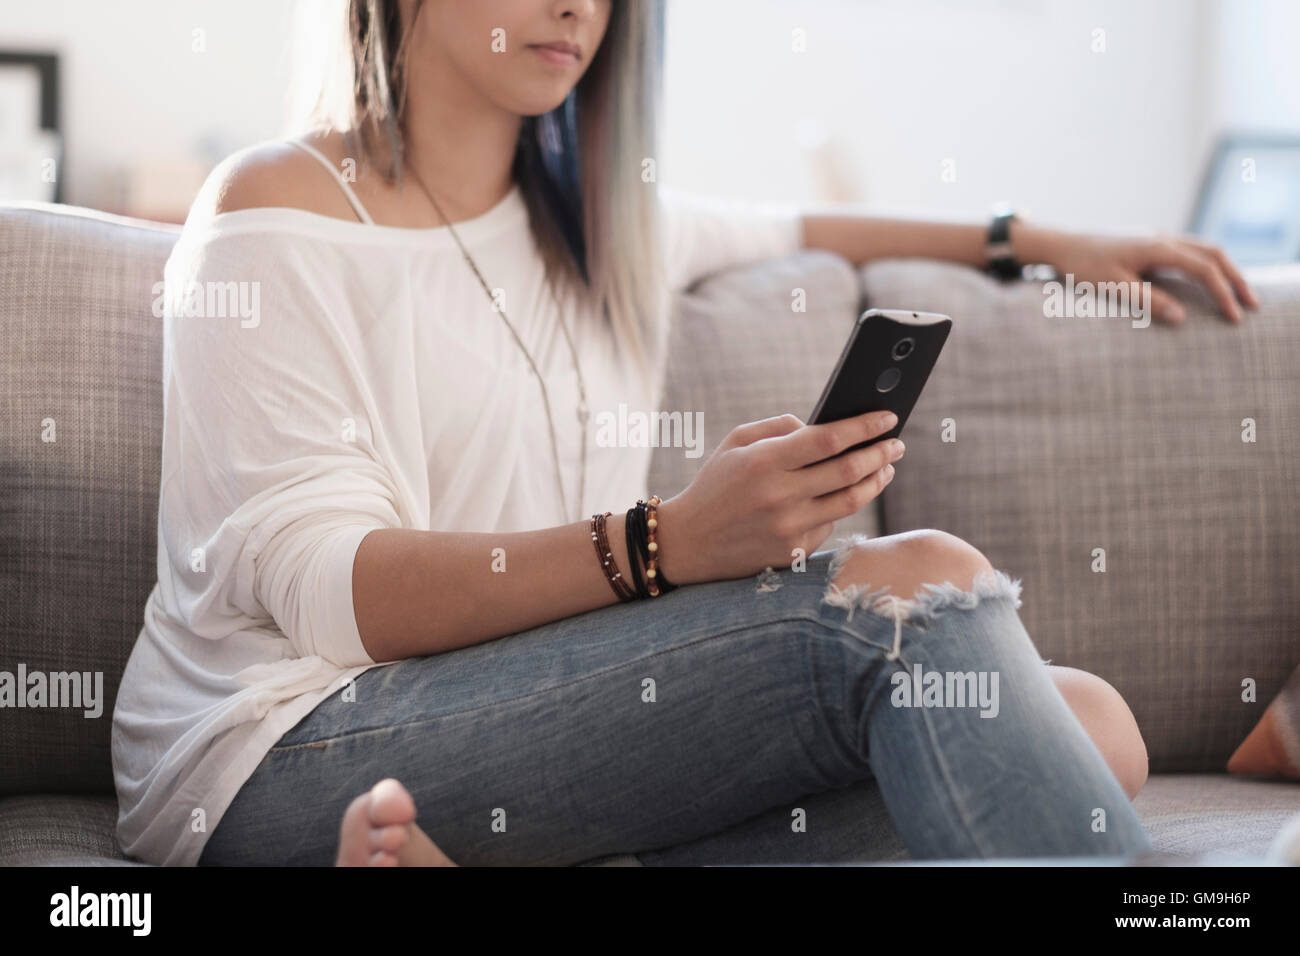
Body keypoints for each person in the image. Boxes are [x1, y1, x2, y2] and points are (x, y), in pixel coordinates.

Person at [110, 0, 1257, 867]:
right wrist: (664, 543)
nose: (578, 5)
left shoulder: (607, 229)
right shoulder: (277, 209)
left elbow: (807, 221)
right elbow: (327, 592)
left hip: (510, 716)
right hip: (281, 747)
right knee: (916, 595)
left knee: (1091, 724)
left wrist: (1034, 236)